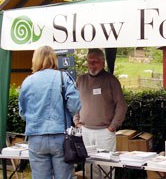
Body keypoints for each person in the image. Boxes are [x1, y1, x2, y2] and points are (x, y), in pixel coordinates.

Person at [18, 45, 81, 179]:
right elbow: (75, 105)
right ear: (54, 59)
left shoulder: (27, 82)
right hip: (60, 136)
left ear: (35, 60)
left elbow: (23, 112)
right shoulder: (63, 77)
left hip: (36, 137)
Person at [73, 48, 127, 179]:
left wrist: (112, 126)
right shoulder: (81, 80)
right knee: (89, 167)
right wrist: (76, 121)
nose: (91, 65)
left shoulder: (111, 80)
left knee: (106, 167)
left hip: (105, 131)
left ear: (103, 62)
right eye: (89, 62)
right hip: (85, 130)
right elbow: (74, 102)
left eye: (95, 62)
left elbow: (121, 105)